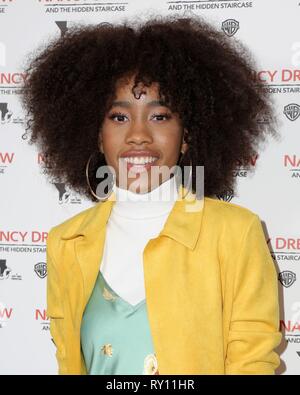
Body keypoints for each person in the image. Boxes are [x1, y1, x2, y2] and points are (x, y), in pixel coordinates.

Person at [20, 14, 282, 375]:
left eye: (159, 116)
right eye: (118, 117)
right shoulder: (66, 243)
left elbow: (253, 361)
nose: (138, 135)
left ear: (187, 134)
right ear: (96, 134)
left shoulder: (235, 234)